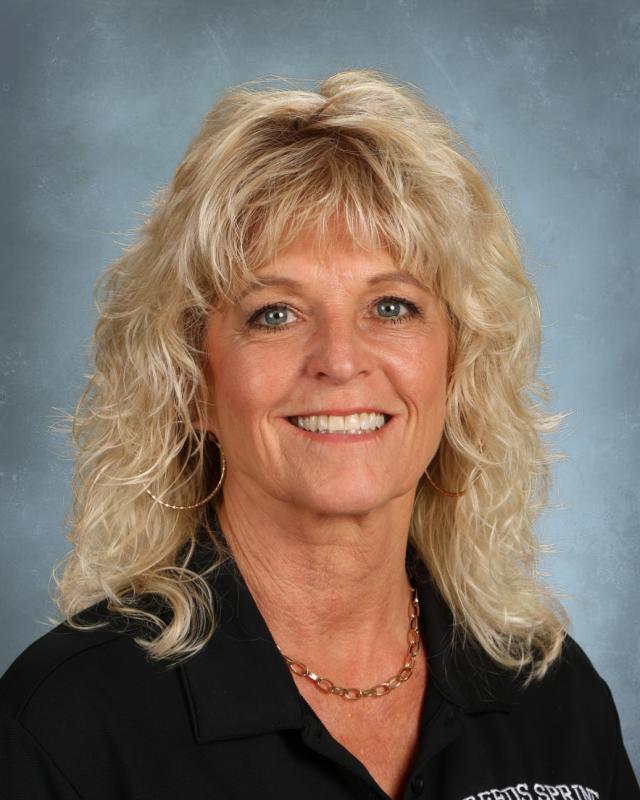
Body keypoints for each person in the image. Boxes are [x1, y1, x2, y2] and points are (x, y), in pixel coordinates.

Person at [0, 68, 637, 800]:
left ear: (457, 366)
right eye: (275, 314)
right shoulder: (63, 728)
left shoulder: (552, 697)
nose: (340, 359)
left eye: (392, 306)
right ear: (192, 383)